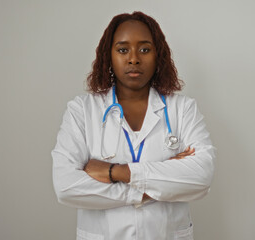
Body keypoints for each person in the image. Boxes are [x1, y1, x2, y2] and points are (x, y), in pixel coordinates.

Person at [52, 11, 215, 240]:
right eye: (122, 49)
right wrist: (151, 187)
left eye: (145, 49)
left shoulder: (183, 109)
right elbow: (67, 187)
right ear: (108, 56)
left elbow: (200, 177)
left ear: (159, 55)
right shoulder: (82, 110)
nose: (134, 59)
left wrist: (116, 171)